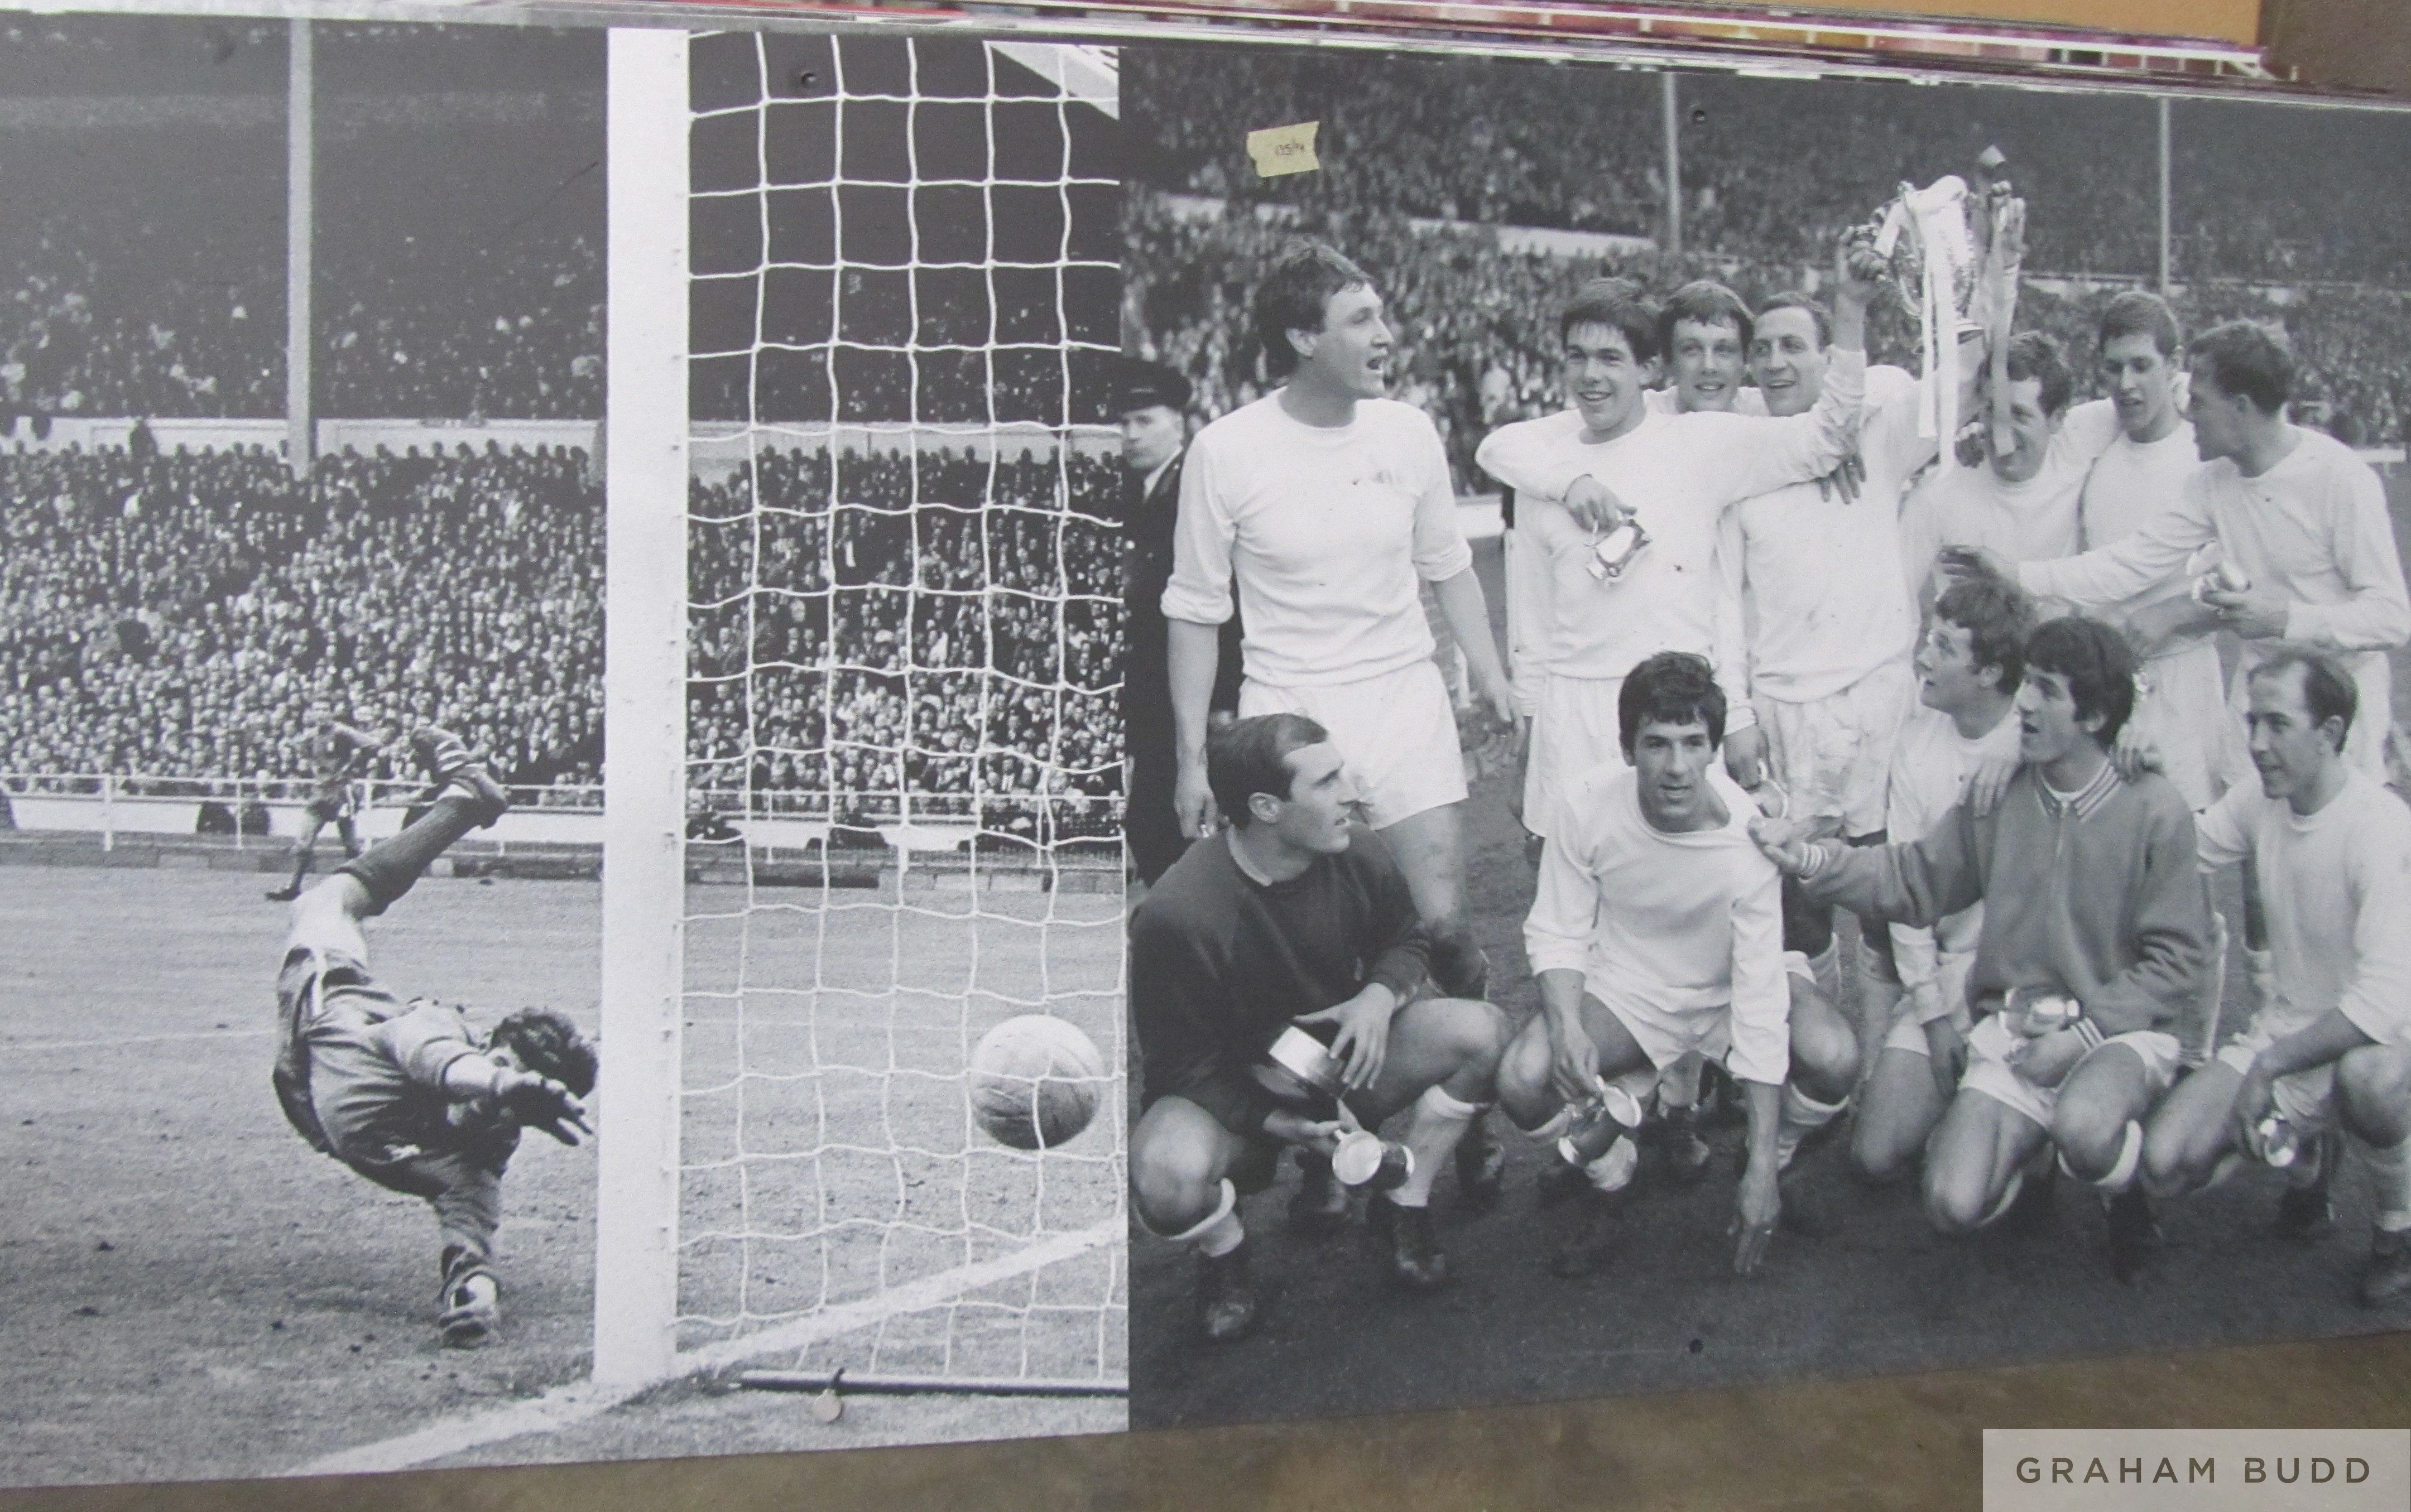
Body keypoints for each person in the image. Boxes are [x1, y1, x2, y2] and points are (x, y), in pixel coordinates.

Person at [1752, 617, 2210, 1281]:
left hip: (2119, 1034)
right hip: (2017, 1029)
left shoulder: (2156, 808)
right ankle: (2034, 1155)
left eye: (2047, 690)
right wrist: (1813, 858)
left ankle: (2124, 1192)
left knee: (2086, 1127)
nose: (2025, 703)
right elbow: (1912, 878)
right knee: (1951, 1204)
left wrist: (2083, 1037)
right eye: (2028, 684)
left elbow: (2177, 960)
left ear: (2094, 717)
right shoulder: (1998, 794)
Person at [1162, 242, 1517, 1001]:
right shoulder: (1224, 450)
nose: (1385, 335)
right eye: (1360, 320)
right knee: (1316, 945)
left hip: (1402, 695)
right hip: (1289, 710)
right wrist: (1192, 759)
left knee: (1443, 926)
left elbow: (1448, 564)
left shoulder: (1408, 431)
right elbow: (1194, 610)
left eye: (1381, 315)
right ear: (1302, 338)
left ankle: (1468, 1050)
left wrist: (1489, 674)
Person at [1473, 234, 1877, 842]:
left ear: (1647, 369)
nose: (1591, 376)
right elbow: (1532, 628)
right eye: (1577, 357)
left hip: (1678, 714)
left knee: (1694, 882)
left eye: (1610, 359)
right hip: (1574, 717)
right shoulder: (1543, 469)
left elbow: (1826, 438)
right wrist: (1530, 742)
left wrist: (1849, 312)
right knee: (1576, 883)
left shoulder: (1703, 442)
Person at [1128, 713, 1510, 1340]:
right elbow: (1179, 1069)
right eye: (1327, 782)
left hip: (1338, 1064)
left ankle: (1403, 1203)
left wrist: (1378, 998)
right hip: (1236, 1095)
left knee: (1483, 1034)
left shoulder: (1354, 847)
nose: (1350, 793)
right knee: (1164, 1174)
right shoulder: (1177, 915)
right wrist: (1273, 1121)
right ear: (1266, 808)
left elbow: (1406, 938)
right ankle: (1226, 1256)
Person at [1495, 652, 1861, 1277]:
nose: (1676, 767)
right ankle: (1614, 1176)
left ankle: (1774, 1155)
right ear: (1627, 748)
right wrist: (1568, 1027)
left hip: (1729, 990)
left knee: (1835, 1057)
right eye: (1657, 743)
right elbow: (1557, 929)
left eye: (1694, 743)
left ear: (1715, 749)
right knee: (1522, 1077)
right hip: (1629, 988)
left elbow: (1758, 1002)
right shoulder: (1583, 805)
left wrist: (1761, 1168)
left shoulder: (1747, 840)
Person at [1964, 320, 2411, 787]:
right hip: (2259, 699)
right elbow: (2131, 561)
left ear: (2241, 408)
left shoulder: (2340, 478)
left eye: (2198, 402)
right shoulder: (2212, 483)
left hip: (2335, 710)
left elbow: (2392, 617)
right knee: (2239, 827)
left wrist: (2285, 619)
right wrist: (2017, 573)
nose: (2187, 413)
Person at [271, 727, 596, 1349]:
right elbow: (438, 1061)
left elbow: (471, 1235)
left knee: (328, 902)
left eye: (515, 1101)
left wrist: (475, 1294)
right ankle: (463, 804)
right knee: (323, 905)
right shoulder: (437, 1032)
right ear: (487, 1047)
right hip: (330, 1000)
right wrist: (502, 1083)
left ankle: (464, 802)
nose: (496, 1102)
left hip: (318, 1089)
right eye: (501, 1066)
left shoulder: (479, 1156)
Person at [2141, 651, 2411, 1307]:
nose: (2257, 744)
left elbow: (2382, 1004)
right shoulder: (2261, 798)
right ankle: (2311, 1159)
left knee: (2368, 1080)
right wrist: (2147, 784)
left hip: (2385, 1035)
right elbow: (2184, 851)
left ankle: (2396, 1226)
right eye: (2252, 722)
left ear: (2330, 732)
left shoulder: (2381, 827)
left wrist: (2268, 1067)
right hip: (2292, 1029)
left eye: (2278, 724)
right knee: (2167, 1164)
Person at [1848, 577, 2035, 1184]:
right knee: (1875, 1156)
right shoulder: (1916, 744)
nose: (1923, 658)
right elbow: (1908, 892)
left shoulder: (2042, 738)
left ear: (1991, 673)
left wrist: (2019, 745)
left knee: (1961, 1189)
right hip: (1951, 979)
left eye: (1944, 647)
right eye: (1928, 639)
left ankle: (2031, 1149)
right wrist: (1932, 1015)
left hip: (2032, 984)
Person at [1117, 359, 1241, 888]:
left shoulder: (1196, 487)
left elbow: (1223, 605)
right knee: (1153, 831)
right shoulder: (1134, 492)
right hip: (1153, 699)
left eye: (1144, 420)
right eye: (1122, 423)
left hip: (1197, 700)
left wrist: (1222, 702)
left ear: (1179, 423)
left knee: (1182, 835)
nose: (1130, 434)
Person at [1896, 331, 2122, 614]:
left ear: (2057, 419)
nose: (2000, 431)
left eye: (2019, 414)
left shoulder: (2077, 440)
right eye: (1992, 411)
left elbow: (2160, 396)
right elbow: (1895, 599)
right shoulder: (1938, 493)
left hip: (2055, 640)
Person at [266, 713, 385, 903]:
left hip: (341, 793)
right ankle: (293, 887)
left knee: (351, 846)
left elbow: (373, 745)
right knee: (303, 843)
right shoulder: (312, 736)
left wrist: (353, 765)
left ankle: (370, 887)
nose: (321, 714)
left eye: (325, 709)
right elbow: (300, 749)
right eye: (318, 709)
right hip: (321, 793)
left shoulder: (342, 732)